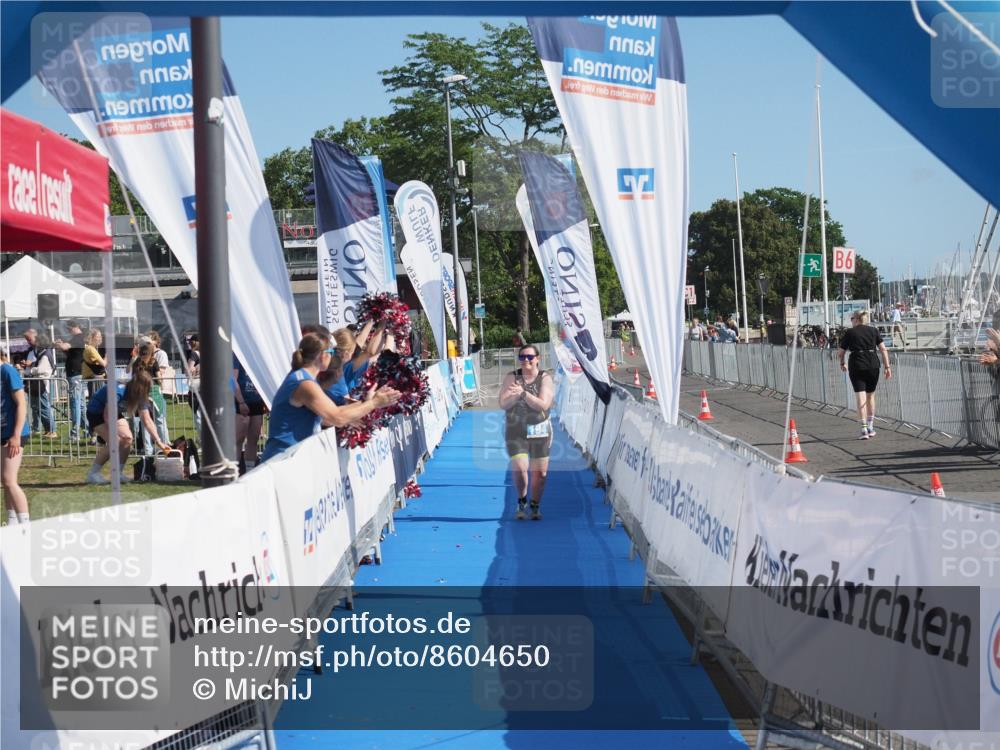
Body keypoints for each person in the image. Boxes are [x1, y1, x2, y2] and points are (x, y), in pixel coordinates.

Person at [259, 332, 400, 463]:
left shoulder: (304, 378)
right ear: (323, 356)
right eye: (331, 352)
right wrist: (373, 403)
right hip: (282, 459)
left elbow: (327, 416)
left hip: (289, 458)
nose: (334, 357)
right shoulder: (304, 384)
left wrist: (367, 403)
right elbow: (337, 417)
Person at [85, 368, 171, 484]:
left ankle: (118, 474)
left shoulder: (141, 397)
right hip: (96, 412)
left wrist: (159, 441)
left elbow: (147, 420)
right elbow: (107, 412)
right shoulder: (119, 390)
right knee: (114, 441)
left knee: (128, 438)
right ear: (140, 387)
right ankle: (93, 474)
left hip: (112, 412)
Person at [499, 344, 555, 521]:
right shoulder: (512, 377)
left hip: (540, 429)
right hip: (516, 430)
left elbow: (543, 405)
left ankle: (535, 504)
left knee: (541, 474)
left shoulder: (545, 378)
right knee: (521, 469)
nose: (526, 361)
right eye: (522, 357)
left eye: (530, 357)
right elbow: (503, 404)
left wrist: (523, 394)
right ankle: (522, 500)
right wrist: (514, 396)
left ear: (537, 358)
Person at [838, 310, 892, 440]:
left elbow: (840, 352)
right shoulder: (874, 331)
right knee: (870, 396)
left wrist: (842, 363)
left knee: (860, 397)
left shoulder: (850, 333)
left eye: (852, 319)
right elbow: (883, 349)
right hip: (873, 364)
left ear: (856, 319)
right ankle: (870, 426)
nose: (851, 321)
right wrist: (887, 366)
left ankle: (863, 429)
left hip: (857, 365)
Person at [2, 346, 30, 524]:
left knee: (9, 480)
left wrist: (16, 435)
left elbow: (21, 403)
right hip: (2, 431)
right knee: (5, 481)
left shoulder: (7, 371)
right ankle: (12, 521)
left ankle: (25, 524)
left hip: (14, 433)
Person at [22, 329, 58, 437]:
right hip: (37, 384)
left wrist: (30, 369)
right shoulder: (42, 353)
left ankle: (52, 430)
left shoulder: (45, 354)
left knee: (44, 408)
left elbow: (42, 369)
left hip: (41, 384)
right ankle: (48, 430)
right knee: (40, 408)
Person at [233, 355, 266, 471]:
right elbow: (233, 380)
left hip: (256, 401)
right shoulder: (236, 356)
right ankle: (234, 472)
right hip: (240, 401)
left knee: (254, 438)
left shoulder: (258, 356)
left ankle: (249, 470)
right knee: (238, 438)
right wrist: (241, 402)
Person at [55, 320, 86, 441]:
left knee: (75, 404)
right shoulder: (79, 339)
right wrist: (62, 347)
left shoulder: (77, 338)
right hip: (78, 373)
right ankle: (87, 430)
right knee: (81, 404)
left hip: (75, 374)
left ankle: (75, 434)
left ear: (75, 327)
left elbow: (65, 346)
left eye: (69, 328)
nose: (68, 331)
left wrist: (58, 344)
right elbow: (71, 353)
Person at [81, 328, 107, 397]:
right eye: (98, 336)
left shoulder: (90, 349)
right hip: (95, 379)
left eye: (100, 336)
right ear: (92, 337)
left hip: (94, 378)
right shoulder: (91, 349)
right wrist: (107, 355)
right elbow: (104, 363)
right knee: (97, 399)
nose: (100, 339)